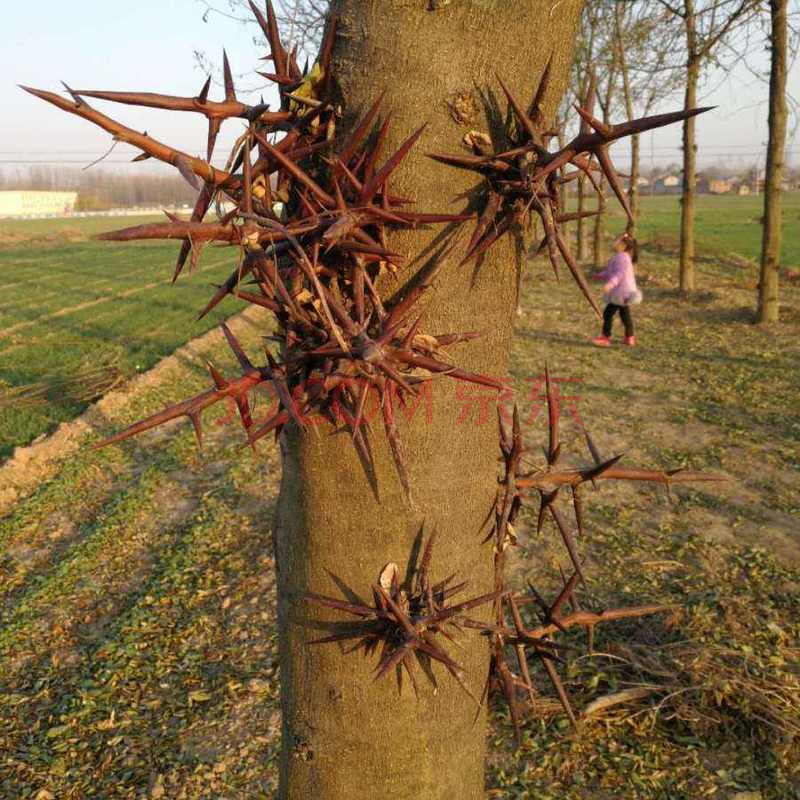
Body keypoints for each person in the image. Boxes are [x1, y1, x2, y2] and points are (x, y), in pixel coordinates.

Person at [591, 232, 642, 347]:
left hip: (621, 292)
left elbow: (619, 274)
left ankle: (605, 337)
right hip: (624, 291)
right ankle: (629, 337)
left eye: (617, 241)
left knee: (608, 313)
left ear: (623, 245)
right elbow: (611, 272)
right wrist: (600, 275)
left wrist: (610, 284)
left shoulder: (622, 257)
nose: (614, 243)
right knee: (624, 314)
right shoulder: (621, 257)